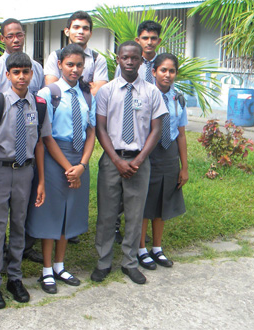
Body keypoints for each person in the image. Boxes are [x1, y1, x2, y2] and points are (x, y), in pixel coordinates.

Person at [91, 41, 167, 285]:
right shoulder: (106, 91)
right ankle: (103, 262)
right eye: (125, 57)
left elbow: (157, 129)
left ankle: (129, 263)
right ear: (118, 59)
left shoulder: (152, 92)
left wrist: (139, 159)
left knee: (135, 215)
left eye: (135, 58)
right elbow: (100, 127)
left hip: (139, 161)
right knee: (106, 214)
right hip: (112, 161)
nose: (130, 62)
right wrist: (115, 160)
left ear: (142, 61)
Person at [26, 43, 96, 294]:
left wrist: (82, 165)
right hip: (55, 160)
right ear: (59, 65)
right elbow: (46, 137)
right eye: (70, 65)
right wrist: (69, 168)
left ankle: (59, 265)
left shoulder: (87, 95)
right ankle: (46, 271)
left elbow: (91, 131)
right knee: (51, 213)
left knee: (70, 213)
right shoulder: (48, 93)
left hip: (79, 159)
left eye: (79, 65)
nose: (75, 70)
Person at [0, 52, 50, 308]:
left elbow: (41, 144)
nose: (22, 77)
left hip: (26, 172)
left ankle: (15, 278)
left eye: (26, 72)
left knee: (19, 225)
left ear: (32, 74)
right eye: (16, 72)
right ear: (8, 75)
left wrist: (41, 180)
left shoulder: (40, 105)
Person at [0, 17, 45, 264]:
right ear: (2, 38)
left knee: (21, 213)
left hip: (26, 152)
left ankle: (19, 255)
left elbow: (38, 106)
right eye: (10, 35)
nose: (16, 39)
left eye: (19, 34)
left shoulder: (36, 68)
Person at [137, 53, 188, 270]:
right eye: (163, 70)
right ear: (154, 72)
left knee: (163, 201)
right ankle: (140, 249)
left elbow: (182, 133)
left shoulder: (179, 98)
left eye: (172, 71)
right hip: (150, 152)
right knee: (145, 201)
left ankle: (157, 248)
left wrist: (184, 166)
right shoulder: (145, 94)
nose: (167, 75)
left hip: (170, 154)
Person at [44, 10, 108, 96]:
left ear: (90, 33)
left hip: (87, 108)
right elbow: (52, 89)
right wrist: (87, 86)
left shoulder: (97, 59)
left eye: (85, 28)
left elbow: (98, 91)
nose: (81, 31)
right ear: (67, 31)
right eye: (76, 27)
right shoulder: (55, 56)